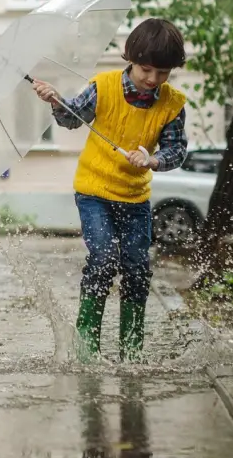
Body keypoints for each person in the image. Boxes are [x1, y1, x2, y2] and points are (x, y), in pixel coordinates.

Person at [32, 18, 188, 361]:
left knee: (136, 267)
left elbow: (177, 151)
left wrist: (154, 160)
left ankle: (131, 352)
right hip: (94, 192)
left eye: (163, 73)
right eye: (147, 69)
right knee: (102, 259)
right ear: (130, 58)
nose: (153, 79)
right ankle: (87, 349)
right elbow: (72, 118)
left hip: (135, 198)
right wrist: (55, 99)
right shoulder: (103, 87)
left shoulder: (172, 104)